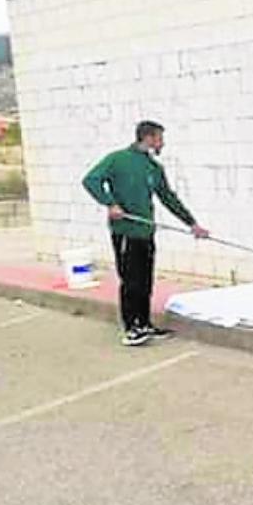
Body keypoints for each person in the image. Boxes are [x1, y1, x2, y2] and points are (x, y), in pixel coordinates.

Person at [82, 121, 210, 347]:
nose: (162, 143)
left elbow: (168, 198)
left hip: (145, 231)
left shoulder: (153, 167)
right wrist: (110, 204)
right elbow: (91, 180)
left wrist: (192, 223)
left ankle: (145, 323)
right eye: (159, 138)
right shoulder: (117, 159)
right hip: (126, 231)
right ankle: (131, 328)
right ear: (148, 138)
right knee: (130, 280)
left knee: (145, 280)